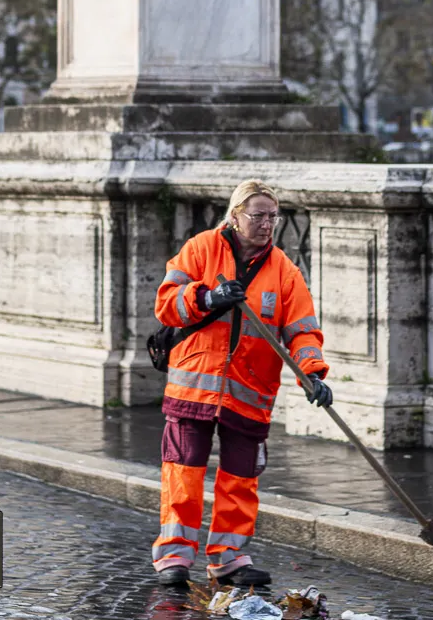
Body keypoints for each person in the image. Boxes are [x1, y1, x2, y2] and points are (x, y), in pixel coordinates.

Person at [151, 179, 333, 587]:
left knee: (240, 480)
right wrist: (207, 298)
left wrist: (313, 374)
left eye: (273, 216)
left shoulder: (284, 270)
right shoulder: (201, 248)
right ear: (234, 216)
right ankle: (174, 558)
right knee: (183, 473)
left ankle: (228, 558)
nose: (267, 224)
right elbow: (166, 304)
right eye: (258, 215)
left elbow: (302, 331)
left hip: (249, 392)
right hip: (193, 387)